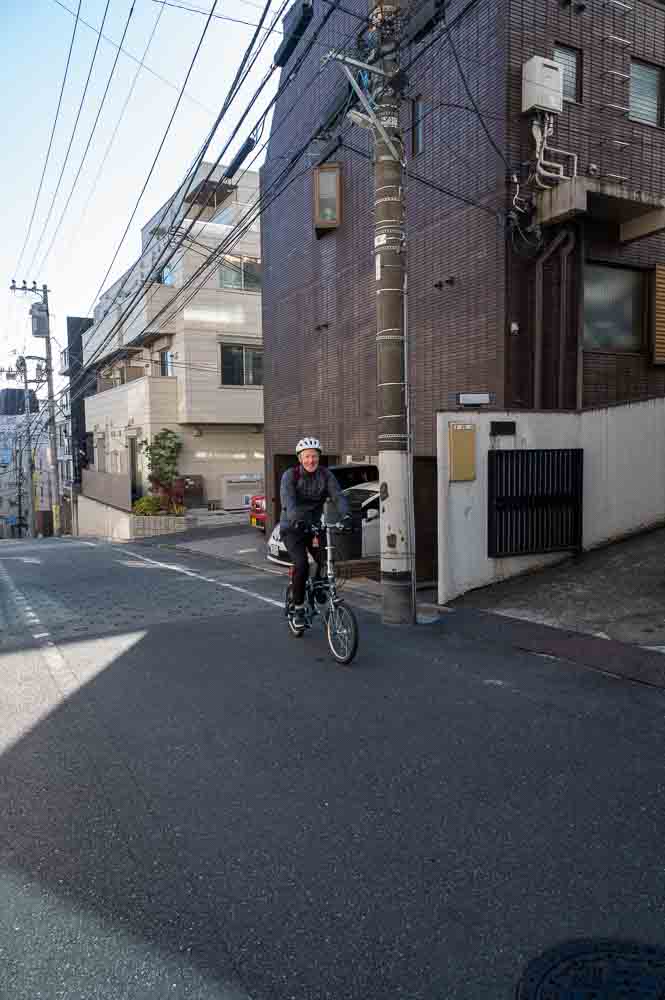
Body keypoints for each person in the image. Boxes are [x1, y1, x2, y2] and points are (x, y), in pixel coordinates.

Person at [280, 437, 350, 632]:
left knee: (326, 559)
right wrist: (297, 519)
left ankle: (319, 583)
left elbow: (338, 496)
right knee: (302, 565)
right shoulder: (290, 476)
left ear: (319, 457)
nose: (311, 460)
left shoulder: (325, 475)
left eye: (314, 456)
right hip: (292, 527)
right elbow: (288, 502)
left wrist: (347, 516)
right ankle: (299, 609)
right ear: (300, 459)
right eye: (307, 456)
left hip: (314, 526)